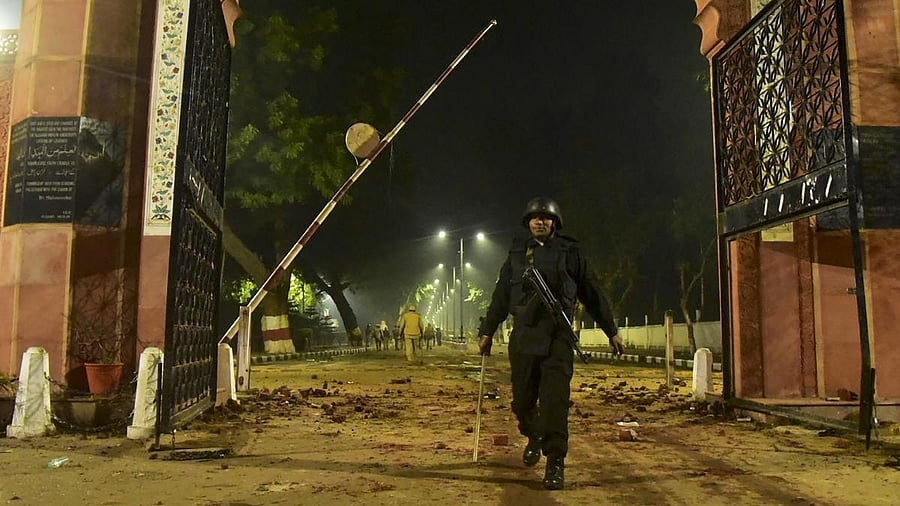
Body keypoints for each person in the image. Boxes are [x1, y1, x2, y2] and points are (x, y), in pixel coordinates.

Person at [477, 196, 625, 491]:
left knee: (555, 404)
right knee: (522, 403)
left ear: (555, 222)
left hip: (558, 339)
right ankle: (534, 435)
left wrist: (611, 330)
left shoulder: (571, 253)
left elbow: (591, 292)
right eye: (535, 217)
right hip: (523, 338)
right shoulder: (518, 254)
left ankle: (555, 462)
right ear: (528, 222)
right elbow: (501, 297)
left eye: (546, 217)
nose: (540, 221)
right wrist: (487, 331)